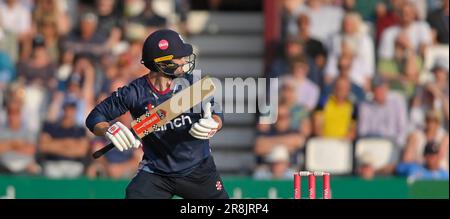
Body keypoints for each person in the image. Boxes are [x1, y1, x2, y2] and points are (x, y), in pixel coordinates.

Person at [85, 29, 228, 199]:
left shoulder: (192, 84)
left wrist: (215, 123)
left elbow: (216, 112)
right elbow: (95, 117)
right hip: (156, 172)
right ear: (162, 63)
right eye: (179, 57)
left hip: (198, 169)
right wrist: (108, 130)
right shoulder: (134, 92)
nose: (184, 61)